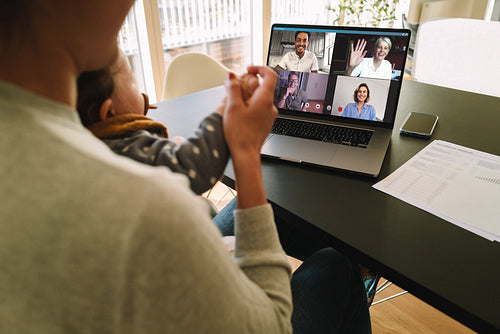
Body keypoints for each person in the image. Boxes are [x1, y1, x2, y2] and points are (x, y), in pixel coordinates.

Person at [0, 1, 371, 333]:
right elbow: (269, 324)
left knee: (274, 212)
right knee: (338, 264)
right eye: (128, 74)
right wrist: (244, 152)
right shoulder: (143, 201)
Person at [77, 49, 229, 195]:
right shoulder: (127, 146)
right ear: (109, 111)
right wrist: (223, 112)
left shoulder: (88, 144)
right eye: (133, 82)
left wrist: (170, 151)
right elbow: (197, 167)